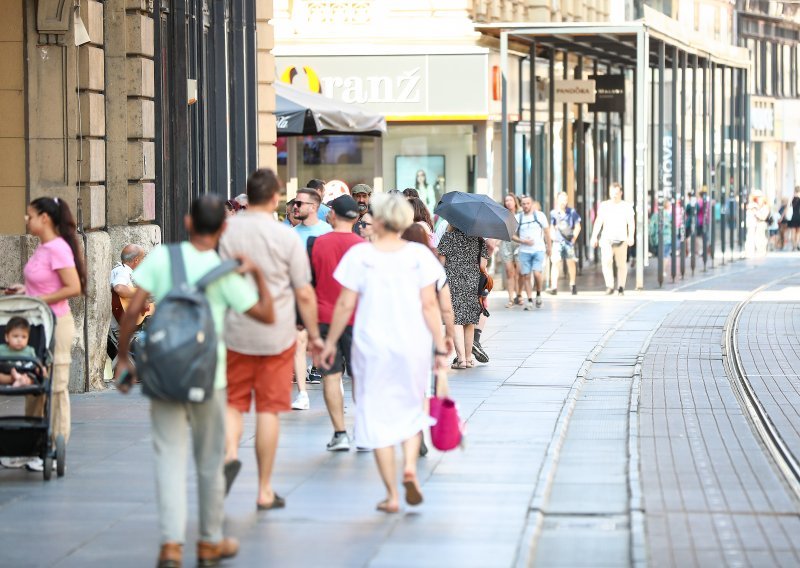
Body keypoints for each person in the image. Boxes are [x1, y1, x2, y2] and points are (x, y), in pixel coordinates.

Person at [114, 195, 275, 568]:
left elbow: (133, 311)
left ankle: (171, 545)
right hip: (209, 376)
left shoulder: (161, 259)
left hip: (165, 373)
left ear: (188, 223)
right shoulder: (223, 269)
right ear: (222, 228)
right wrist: (255, 274)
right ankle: (209, 541)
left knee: (168, 456)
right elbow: (266, 315)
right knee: (209, 459)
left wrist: (124, 358)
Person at [320, 193, 449, 513]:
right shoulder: (419, 256)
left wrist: (330, 341)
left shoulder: (360, 256)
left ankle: (392, 495)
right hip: (412, 343)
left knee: (375, 412)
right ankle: (408, 467)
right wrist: (440, 342)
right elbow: (430, 304)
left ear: (377, 220)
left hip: (372, 345)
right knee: (411, 404)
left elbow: (346, 303)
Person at [219, 169, 323, 507]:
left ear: (247, 196)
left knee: (233, 403)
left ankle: (230, 454)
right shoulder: (286, 237)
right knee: (268, 410)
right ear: (276, 199)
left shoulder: (227, 231)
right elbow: (304, 292)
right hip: (276, 335)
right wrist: (315, 334)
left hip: (235, 329)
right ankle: (264, 490)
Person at [1, 197, 85, 472]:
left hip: (56, 323)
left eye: (30, 216)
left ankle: (52, 443)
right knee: (35, 382)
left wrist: (40, 299)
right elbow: (39, 285)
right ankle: (31, 446)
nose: (27, 220)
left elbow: (73, 287)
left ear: (45, 218)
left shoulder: (58, 248)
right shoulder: (42, 248)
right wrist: (24, 291)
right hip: (37, 322)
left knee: (57, 385)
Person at [309, 195, 364, 451]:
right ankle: (364, 431)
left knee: (331, 376)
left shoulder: (317, 244)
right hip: (357, 319)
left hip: (324, 318)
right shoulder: (362, 247)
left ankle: (340, 432)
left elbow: (311, 284)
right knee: (361, 376)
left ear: (334, 215)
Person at [438, 225, 489, 368]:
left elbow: (441, 263)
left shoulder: (447, 238)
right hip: (472, 282)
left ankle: (460, 360)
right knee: (469, 321)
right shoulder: (478, 239)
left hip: (452, 282)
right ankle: (468, 359)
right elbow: (483, 266)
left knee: (456, 320)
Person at [590, 182, 635, 295]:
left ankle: (621, 287)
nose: (615, 195)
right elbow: (599, 221)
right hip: (607, 239)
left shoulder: (626, 206)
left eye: (617, 193)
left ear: (621, 193)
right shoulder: (604, 205)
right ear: (609, 193)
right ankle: (609, 286)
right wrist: (594, 236)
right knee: (606, 262)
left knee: (621, 264)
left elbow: (631, 223)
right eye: (612, 193)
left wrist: (631, 236)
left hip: (621, 239)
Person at [512, 196, 551, 310]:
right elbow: (512, 235)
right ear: (521, 205)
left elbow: (547, 232)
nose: (526, 206)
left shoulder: (540, 216)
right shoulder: (518, 217)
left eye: (528, 203)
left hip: (538, 250)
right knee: (526, 276)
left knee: (537, 274)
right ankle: (529, 300)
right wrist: (522, 241)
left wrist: (549, 247)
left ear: (532, 204)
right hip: (524, 251)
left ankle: (538, 294)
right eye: (523, 204)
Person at [548, 192, 582, 295]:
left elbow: (578, 226)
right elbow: (551, 226)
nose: (564, 202)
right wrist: (552, 237)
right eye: (562, 199)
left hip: (568, 242)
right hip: (558, 242)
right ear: (557, 200)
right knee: (555, 263)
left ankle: (572, 284)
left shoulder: (572, 212)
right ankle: (554, 287)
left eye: (565, 199)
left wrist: (574, 238)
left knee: (570, 263)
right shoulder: (554, 213)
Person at [0, 317, 38, 387]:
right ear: (7, 337)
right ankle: (14, 379)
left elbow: (36, 364)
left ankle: (21, 381)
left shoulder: (30, 350)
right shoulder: (1, 349)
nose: (19, 340)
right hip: (7, 373)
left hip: (24, 371)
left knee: (33, 378)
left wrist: (40, 369)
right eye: (15, 336)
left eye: (24, 337)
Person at [498, 194, 521, 308]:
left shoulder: (520, 215)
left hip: (519, 244)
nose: (508, 202)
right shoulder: (503, 215)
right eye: (506, 200)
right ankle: (511, 298)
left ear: (515, 202)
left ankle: (519, 295)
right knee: (509, 272)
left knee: (518, 272)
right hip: (506, 244)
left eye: (510, 200)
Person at [745, 191, 770, 258]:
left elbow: (763, 216)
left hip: (761, 224)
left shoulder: (764, 206)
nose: (758, 199)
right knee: (754, 238)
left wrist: (756, 213)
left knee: (761, 238)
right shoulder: (753, 205)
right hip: (755, 224)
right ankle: (754, 251)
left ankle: (762, 251)